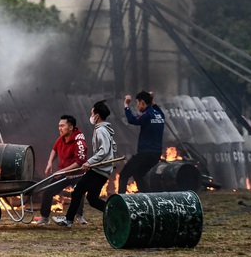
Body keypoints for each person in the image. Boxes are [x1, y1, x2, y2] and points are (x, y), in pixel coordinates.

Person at [53, 100, 117, 228]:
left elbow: (104, 151)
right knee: (92, 199)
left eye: (92, 113)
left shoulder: (101, 131)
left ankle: (68, 220)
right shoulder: (105, 129)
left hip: (98, 170)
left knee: (77, 191)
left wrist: (89, 162)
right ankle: (116, 213)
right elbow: (113, 148)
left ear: (97, 116)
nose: (91, 116)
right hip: (102, 169)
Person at [36, 115, 88, 225]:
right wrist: (50, 162)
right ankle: (44, 217)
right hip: (64, 173)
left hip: (77, 174)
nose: (60, 128)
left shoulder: (79, 142)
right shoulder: (61, 138)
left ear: (71, 127)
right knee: (48, 191)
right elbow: (54, 149)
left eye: (62, 126)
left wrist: (63, 170)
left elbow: (80, 162)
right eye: (59, 126)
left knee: (78, 193)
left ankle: (79, 216)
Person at [118, 90, 165, 193]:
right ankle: (147, 199)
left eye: (137, 103)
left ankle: (119, 203)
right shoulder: (160, 114)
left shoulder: (147, 114)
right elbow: (155, 107)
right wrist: (151, 99)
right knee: (138, 174)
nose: (137, 106)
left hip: (145, 153)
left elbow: (132, 120)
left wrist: (126, 105)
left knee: (124, 175)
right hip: (156, 155)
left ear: (142, 102)